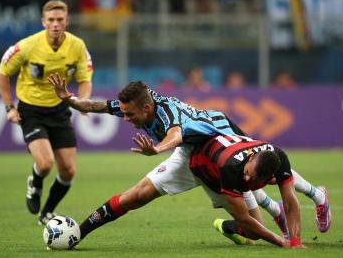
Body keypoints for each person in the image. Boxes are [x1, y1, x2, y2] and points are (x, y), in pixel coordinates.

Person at [47, 75, 282, 242]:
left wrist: (157, 150)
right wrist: (68, 98)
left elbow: (176, 134)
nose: (126, 118)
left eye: (129, 115)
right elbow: (95, 106)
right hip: (190, 155)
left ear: (147, 108)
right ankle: (79, 232)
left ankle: (233, 223)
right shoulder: (135, 105)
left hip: (220, 159)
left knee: (253, 232)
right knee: (136, 196)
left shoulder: (168, 112)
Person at [0, 0, 93, 225]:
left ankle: (47, 212)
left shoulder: (77, 46)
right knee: (46, 163)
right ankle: (35, 182)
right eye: (51, 20)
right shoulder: (27, 46)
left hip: (60, 111)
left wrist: (82, 101)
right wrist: (9, 107)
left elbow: (84, 79)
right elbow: (2, 74)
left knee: (68, 170)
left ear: (67, 21)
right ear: (43, 22)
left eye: (60, 19)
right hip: (31, 111)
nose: (56, 24)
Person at [189, 134, 330, 248]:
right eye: (247, 171)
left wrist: (295, 242)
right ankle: (282, 206)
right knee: (252, 229)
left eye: (252, 176)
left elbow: (290, 200)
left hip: (231, 156)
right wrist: (280, 242)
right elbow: (243, 218)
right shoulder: (231, 168)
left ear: (268, 179)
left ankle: (313, 198)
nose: (246, 177)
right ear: (250, 159)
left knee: (255, 231)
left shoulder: (277, 158)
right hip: (200, 168)